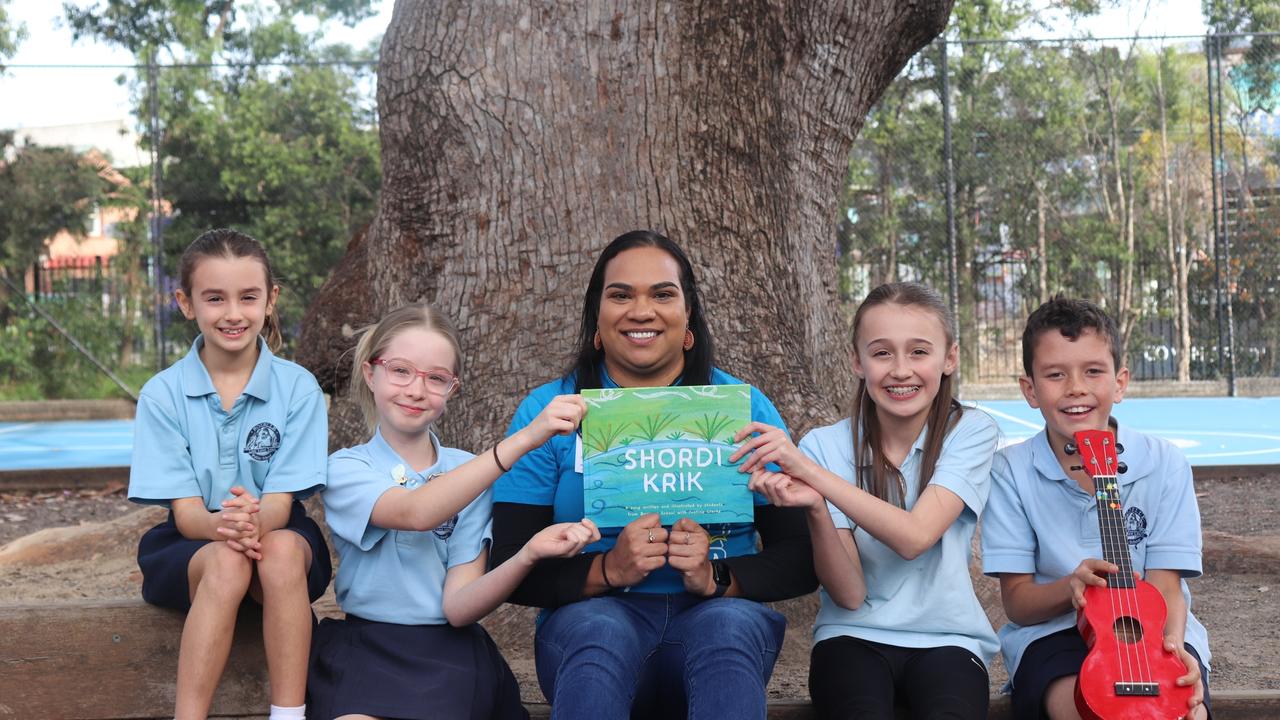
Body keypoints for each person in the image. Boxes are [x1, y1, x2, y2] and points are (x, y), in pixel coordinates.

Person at [490, 229, 818, 720]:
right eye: (620, 294)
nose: (641, 311)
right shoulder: (549, 412)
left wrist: (717, 577)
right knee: (600, 631)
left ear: (688, 318)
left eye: (663, 294)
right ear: (596, 320)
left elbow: (800, 558)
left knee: (726, 631)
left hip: (719, 618)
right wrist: (606, 571)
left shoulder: (743, 408)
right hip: (591, 624)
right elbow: (509, 564)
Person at [307, 303, 601, 720]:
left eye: (436, 378)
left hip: (449, 655)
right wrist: (523, 440)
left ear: (452, 390)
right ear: (371, 373)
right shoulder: (346, 468)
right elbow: (416, 512)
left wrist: (529, 553)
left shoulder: (470, 472)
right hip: (367, 648)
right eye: (400, 370)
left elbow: (459, 607)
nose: (415, 389)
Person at [734, 281, 999, 719]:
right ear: (857, 362)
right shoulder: (825, 445)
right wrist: (816, 507)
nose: (900, 370)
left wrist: (809, 474)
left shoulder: (970, 431)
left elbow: (915, 537)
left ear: (949, 357)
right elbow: (850, 594)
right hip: (850, 638)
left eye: (919, 351)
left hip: (948, 639)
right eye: (881, 353)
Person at [128, 228, 331, 720]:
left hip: (276, 532)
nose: (233, 313)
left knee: (281, 551)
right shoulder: (162, 394)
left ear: (271, 299)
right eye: (214, 298)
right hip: (192, 542)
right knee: (227, 562)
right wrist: (225, 527)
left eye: (248, 297)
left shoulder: (298, 388)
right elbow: (187, 514)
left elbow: (281, 505)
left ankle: (289, 714)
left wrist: (251, 522)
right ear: (186, 302)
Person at [981, 296, 1210, 720]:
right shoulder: (1010, 471)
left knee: (1183, 713)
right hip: (1053, 634)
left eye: (1093, 371)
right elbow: (1018, 603)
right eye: (1055, 375)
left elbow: (1166, 586)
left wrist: (1171, 654)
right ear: (1029, 389)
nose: (1076, 388)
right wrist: (1071, 587)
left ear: (1120, 382)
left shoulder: (1163, 462)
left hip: (1158, 633)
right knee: (1086, 708)